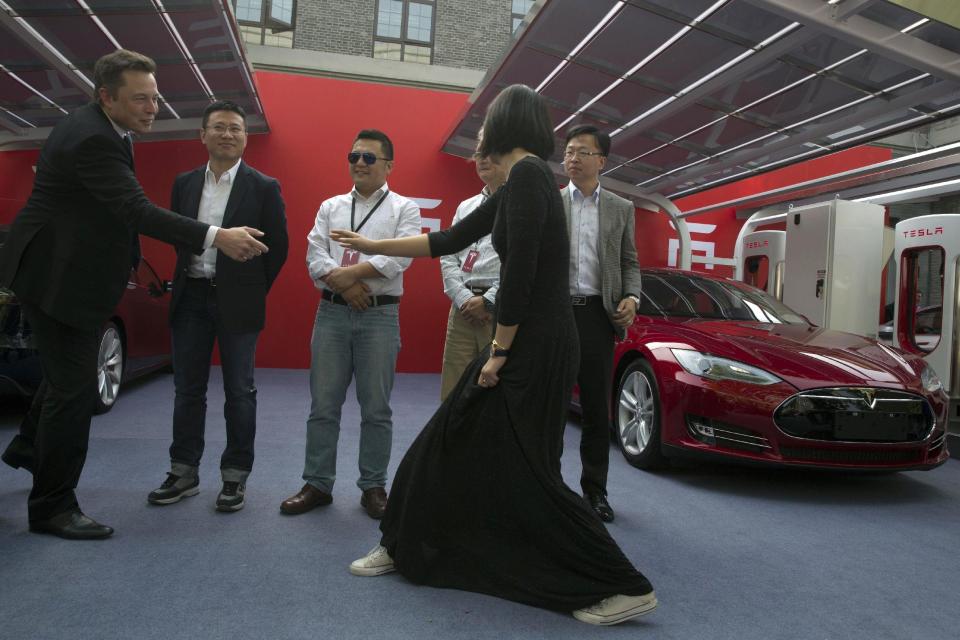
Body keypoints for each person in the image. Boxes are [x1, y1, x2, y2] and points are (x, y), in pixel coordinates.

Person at [332, 85, 656, 626]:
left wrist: (499, 352)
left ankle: (620, 585)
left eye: (485, 124)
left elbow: (523, 278)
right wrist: (374, 246)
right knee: (453, 442)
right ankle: (406, 543)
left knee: (527, 469)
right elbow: (450, 239)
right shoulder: (522, 182)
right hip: (536, 340)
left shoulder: (529, 179)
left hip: (536, 344)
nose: (479, 135)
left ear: (506, 124)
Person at [0, 49, 268, 540]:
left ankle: (27, 448)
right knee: (73, 391)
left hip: (63, 274)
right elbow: (135, 209)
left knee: (66, 377)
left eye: (155, 97)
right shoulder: (92, 139)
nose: (153, 107)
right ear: (107, 96)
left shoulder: (104, 128)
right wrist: (218, 236)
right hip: (57, 280)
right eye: (141, 99)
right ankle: (53, 507)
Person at [146, 100, 289, 513]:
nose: (228, 134)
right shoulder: (185, 183)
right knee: (187, 389)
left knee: (239, 391)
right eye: (220, 127)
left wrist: (251, 288)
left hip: (238, 302)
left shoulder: (264, 186)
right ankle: (183, 471)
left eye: (236, 129)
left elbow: (277, 247)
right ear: (203, 134)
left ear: (245, 138)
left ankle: (234, 477)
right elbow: (178, 233)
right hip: (190, 295)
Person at [280, 130, 421, 519]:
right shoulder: (331, 206)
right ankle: (317, 484)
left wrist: (352, 277)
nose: (359, 162)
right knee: (323, 406)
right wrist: (346, 289)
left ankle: (373, 487)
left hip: (379, 316)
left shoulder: (405, 209)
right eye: (354, 156)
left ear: (389, 165)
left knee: (376, 408)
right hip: (332, 315)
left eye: (370, 158)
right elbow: (315, 257)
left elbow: (400, 259)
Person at [560, 125, 642, 523]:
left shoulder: (621, 208)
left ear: (601, 161)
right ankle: (548, 489)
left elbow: (630, 262)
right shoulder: (550, 202)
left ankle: (595, 492)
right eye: (569, 151)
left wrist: (632, 297)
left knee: (595, 409)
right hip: (555, 314)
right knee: (550, 407)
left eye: (581, 152)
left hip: (597, 315)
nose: (572, 158)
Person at [438, 140, 505, 400]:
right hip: (462, 311)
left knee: (493, 395)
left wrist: (488, 301)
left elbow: (522, 265)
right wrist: (464, 299)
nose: (482, 159)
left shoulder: (519, 204)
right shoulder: (466, 206)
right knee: (452, 395)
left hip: (500, 312)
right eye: (479, 153)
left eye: (490, 153)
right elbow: (448, 256)